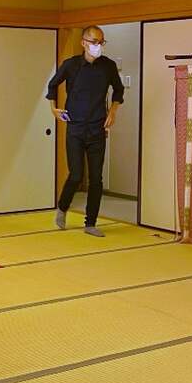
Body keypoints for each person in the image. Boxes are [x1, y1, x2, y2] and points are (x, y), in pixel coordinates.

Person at [46, 25, 124, 236]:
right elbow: (53, 85)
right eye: (93, 42)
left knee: (96, 178)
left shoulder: (108, 66)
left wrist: (113, 111)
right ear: (83, 43)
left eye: (101, 42)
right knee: (76, 174)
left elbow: (119, 89)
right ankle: (62, 207)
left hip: (97, 128)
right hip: (75, 127)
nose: (97, 46)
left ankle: (90, 223)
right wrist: (53, 109)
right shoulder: (71, 65)